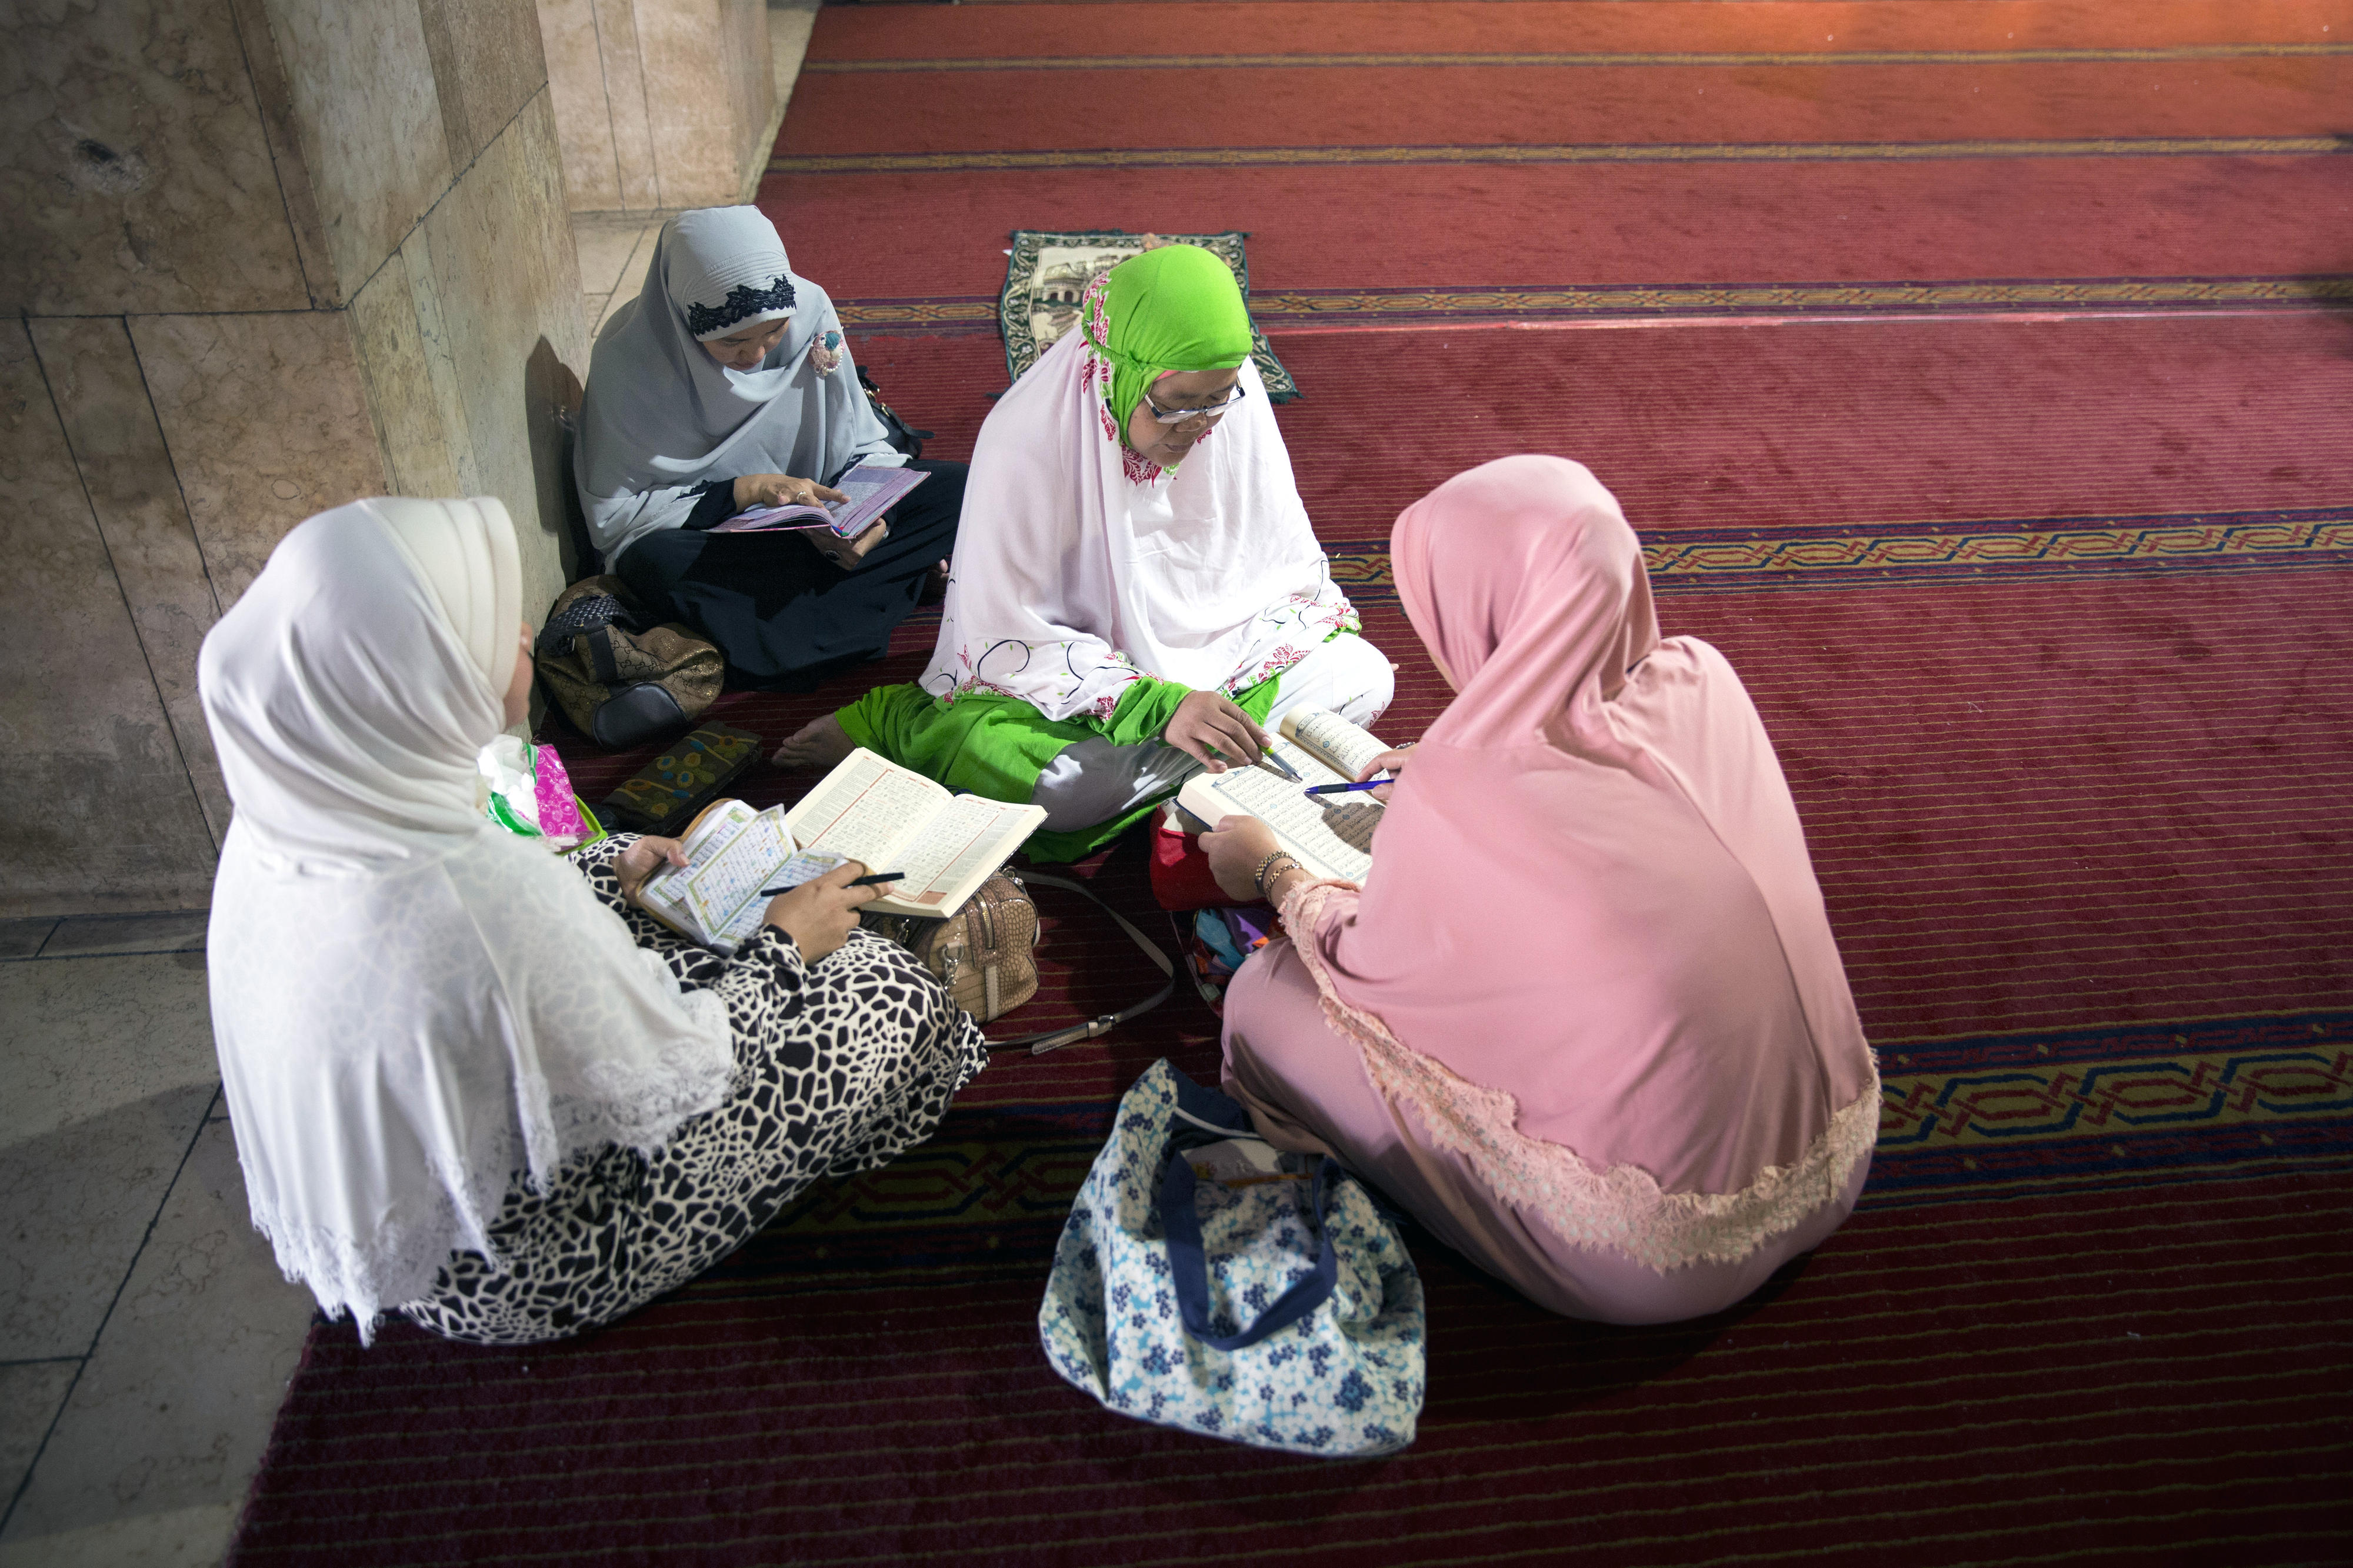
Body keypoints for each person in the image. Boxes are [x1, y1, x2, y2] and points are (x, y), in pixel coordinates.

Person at [199, 495, 987, 1346]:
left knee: (648, 917)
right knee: (887, 991)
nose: (529, 636)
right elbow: (677, 1071)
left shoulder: (289, 814)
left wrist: (604, 864)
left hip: (407, 1223)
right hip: (534, 1262)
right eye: (497, 624)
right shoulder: (481, 889)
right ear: (419, 668)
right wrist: (787, 948)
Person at [1199, 456, 1879, 1324]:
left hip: (1651, 1260)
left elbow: (1371, 982)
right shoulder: (1702, 678)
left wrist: (1271, 869)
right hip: (1838, 1155)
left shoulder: (1466, 782)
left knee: (1265, 997)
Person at [775, 243, 1391, 860]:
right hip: (1084, 693)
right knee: (1069, 788)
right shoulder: (1026, 442)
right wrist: (1160, 704)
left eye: (1216, 399)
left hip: (1232, 667)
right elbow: (1010, 639)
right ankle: (904, 727)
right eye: (1174, 405)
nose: (1197, 426)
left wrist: (1202, 693)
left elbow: (1280, 582)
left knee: (1364, 676)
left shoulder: (1236, 414)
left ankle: (1200, 766)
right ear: (1117, 372)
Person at [575, 205, 961, 689]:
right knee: (654, 563)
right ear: (683, 319)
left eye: (774, 333)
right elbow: (618, 520)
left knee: (962, 488)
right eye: (732, 342)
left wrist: (878, 521)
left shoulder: (809, 308)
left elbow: (862, 441)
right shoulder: (630, 360)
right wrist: (749, 489)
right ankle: (882, 596)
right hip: (728, 546)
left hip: (825, 530)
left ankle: (803, 628)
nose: (757, 355)